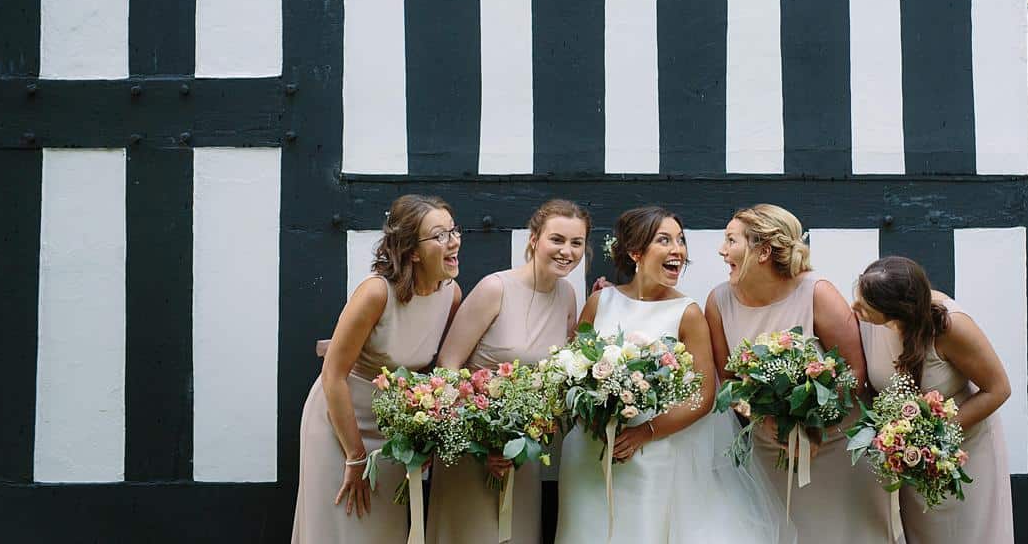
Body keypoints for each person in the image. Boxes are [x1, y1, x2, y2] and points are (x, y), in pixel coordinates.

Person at [555, 206, 793, 544]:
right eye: (664, 240)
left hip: (650, 452)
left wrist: (645, 433)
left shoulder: (688, 313)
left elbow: (704, 395)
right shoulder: (599, 302)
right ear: (636, 251)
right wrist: (593, 415)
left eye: (680, 240)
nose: (677, 250)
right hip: (590, 448)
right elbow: (573, 368)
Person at [706, 204, 894, 543]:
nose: (722, 250)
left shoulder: (816, 292)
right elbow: (729, 383)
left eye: (732, 241)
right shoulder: (719, 302)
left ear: (763, 250)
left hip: (836, 446)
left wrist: (812, 425)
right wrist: (769, 423)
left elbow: (854, 373)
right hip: (769, 451)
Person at [291, 195, 462, 543]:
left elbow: (435, 374)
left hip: (392, 433)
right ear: (413, 251)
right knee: (338, 528)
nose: (454, 240)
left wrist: (423, 435)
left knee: (381, 532)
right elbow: (333, 374)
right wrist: (354, 457)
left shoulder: (452, 295)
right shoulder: (375, 293)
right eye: (440, 235)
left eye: (453, 230)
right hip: (340, 423)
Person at [426, 199, 588, 544]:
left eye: (577, 243)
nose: (567, 251)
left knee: (516, 533)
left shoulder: (568, 296)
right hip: (473, 446)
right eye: (557, 240)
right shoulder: (494, 289)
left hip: (522, 449)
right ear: (534, 240)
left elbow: (561, 370)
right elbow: (449, 366)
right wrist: (484, 442)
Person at [856, 256, 1014, 543]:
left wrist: (930, 440)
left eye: (866, 307)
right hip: (910, 461)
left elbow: (998, 389)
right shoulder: (866, 318)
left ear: (896, 312)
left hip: (964, 451)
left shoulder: (951, 327)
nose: (855, 309)